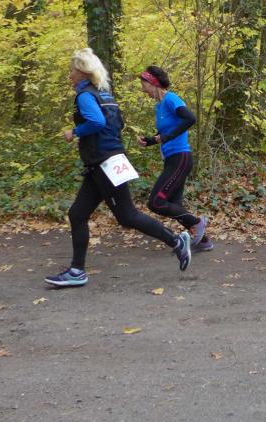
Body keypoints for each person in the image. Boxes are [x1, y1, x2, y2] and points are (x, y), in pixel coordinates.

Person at [45, 49, 192, 288]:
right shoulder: (105, 95)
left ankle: (176, 241)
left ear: (82, 71)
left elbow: (97, 122)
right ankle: (77, 271)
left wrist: (76, 132)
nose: (70, 75)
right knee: (77, 214)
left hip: (104, 163)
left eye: (72, 70)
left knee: (127, 215)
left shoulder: (85, 96)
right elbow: (118, 123)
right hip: (105, 161)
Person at [137, 65, 213, 251]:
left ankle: (197, 223)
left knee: (156, 202)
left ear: (154, 84)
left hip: (180, 157)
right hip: (171, 158)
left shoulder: (171, 99)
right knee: (174, 205)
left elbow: (190, 118)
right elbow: (166, 132)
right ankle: (204, 242)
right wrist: (150, 140)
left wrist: (167, 137)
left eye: (145, 86)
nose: (143, 90)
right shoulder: (159, 106)